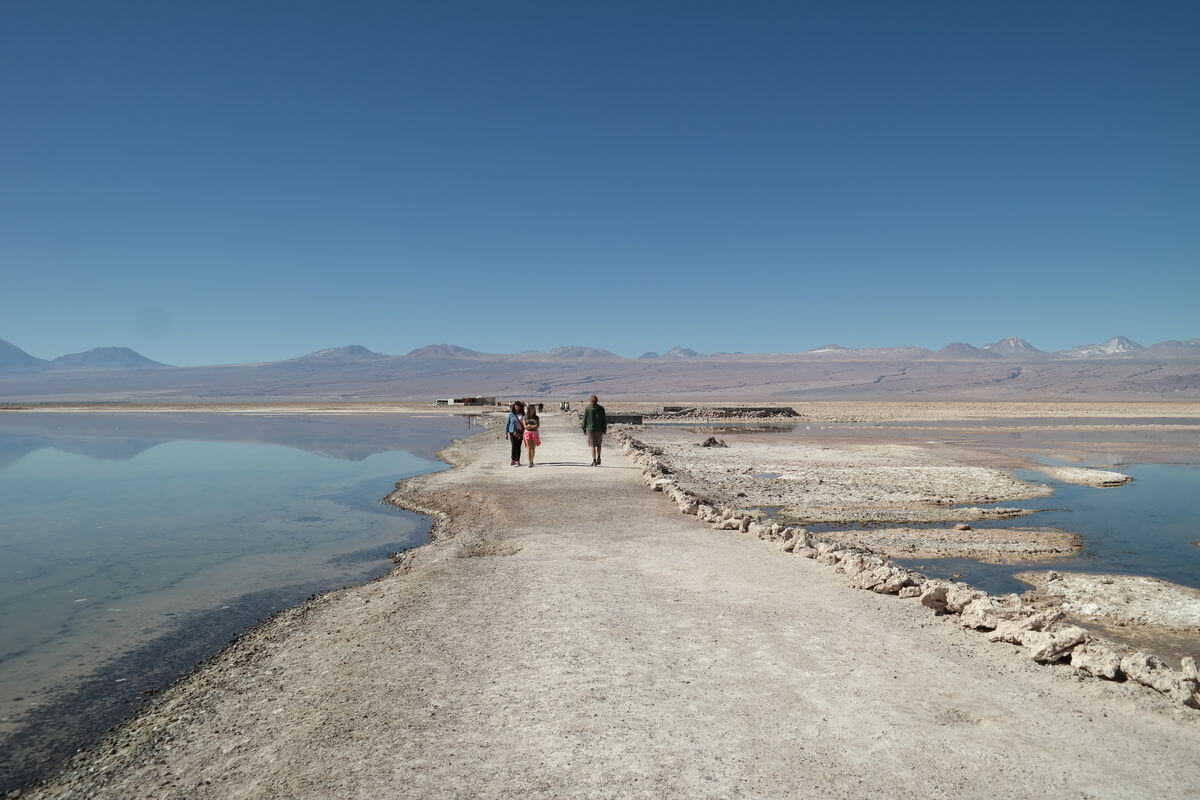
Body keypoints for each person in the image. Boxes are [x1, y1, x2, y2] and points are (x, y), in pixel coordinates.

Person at [582, 394, 607, 466]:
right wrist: (604, 429)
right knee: (599, 445)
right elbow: (604, 420)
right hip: (599, 429)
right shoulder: (601, 408)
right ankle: (599, 458)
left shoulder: (588, 409)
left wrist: (584, 428)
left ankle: (594, 461)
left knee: (593, 445)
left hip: (591, 429)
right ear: (597, 401)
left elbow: (585, 420)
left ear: (590, 401)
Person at [505, 401, 525, 466]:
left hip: (520, 432)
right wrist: (506, 433)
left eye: (518, 406)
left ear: (520, 407)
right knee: (514, 446)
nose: (517, 407)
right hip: (512, 432)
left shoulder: (523, 414)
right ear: (514, 406)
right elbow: (507, 424)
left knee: (518, 446)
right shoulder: (511, 414)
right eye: (516, 406)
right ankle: (513, 460)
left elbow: (525, 422)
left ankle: (518, 460)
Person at [523, 403, 541, 467]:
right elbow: (525, 426)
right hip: (527, 433)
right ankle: (529, 462)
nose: (532, 410)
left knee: (533, 448)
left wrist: (530, 426)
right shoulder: (525, 417)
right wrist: (533, 426)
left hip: (534, 433)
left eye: (533, 409)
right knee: (529, 448)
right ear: (528, 409)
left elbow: (538, 426)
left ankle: (531, 461)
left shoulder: (536, 417)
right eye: (530, 409)